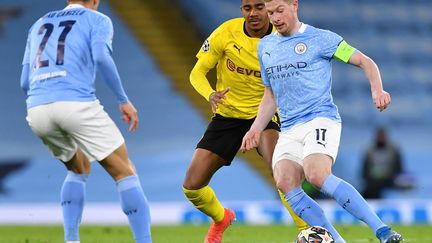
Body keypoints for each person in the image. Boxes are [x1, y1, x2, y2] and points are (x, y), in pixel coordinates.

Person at [240, 0, 404, 242]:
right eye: (270, 12)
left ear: (294, 5)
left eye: (279, 11)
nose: (274, 18)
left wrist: (377, 90)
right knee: (285, 182)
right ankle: (338, 241)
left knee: (316, 175)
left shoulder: (321, 39)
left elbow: (364, 61)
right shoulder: (266, 46)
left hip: (319, 118)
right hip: (289, 127)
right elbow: (270, 95)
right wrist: (255, 129)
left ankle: (383, 231)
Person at [20, 1, 151, 242]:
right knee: (125, 171)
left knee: (79, 168)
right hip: (75, 103)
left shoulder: (38, 24)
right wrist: (123, 100)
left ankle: (71, 240)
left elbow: (24, 82)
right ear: (95, 1)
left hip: (37, 108)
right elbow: (101, 57)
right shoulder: (97, 19)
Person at [182, 0, 308, 242]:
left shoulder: (284, 38)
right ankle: (221, 218)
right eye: (247, 8)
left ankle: (307, 230)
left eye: (259, 7)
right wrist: (210, 93)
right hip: (227, 117)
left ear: (268, 9)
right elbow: (197, 72)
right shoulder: (226, 32)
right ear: (241, 10)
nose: (253, 13)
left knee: (281, 170)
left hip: (264, 116)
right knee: (192, 185)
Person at [362, 127, 403, 199]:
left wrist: (389, 175)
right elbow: (364, 171)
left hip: (389, 181)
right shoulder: (369, 151)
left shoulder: (394, 150)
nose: (381, 138)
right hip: (372, 182)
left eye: (383, 136)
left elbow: (399, 169)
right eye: (379, 136)